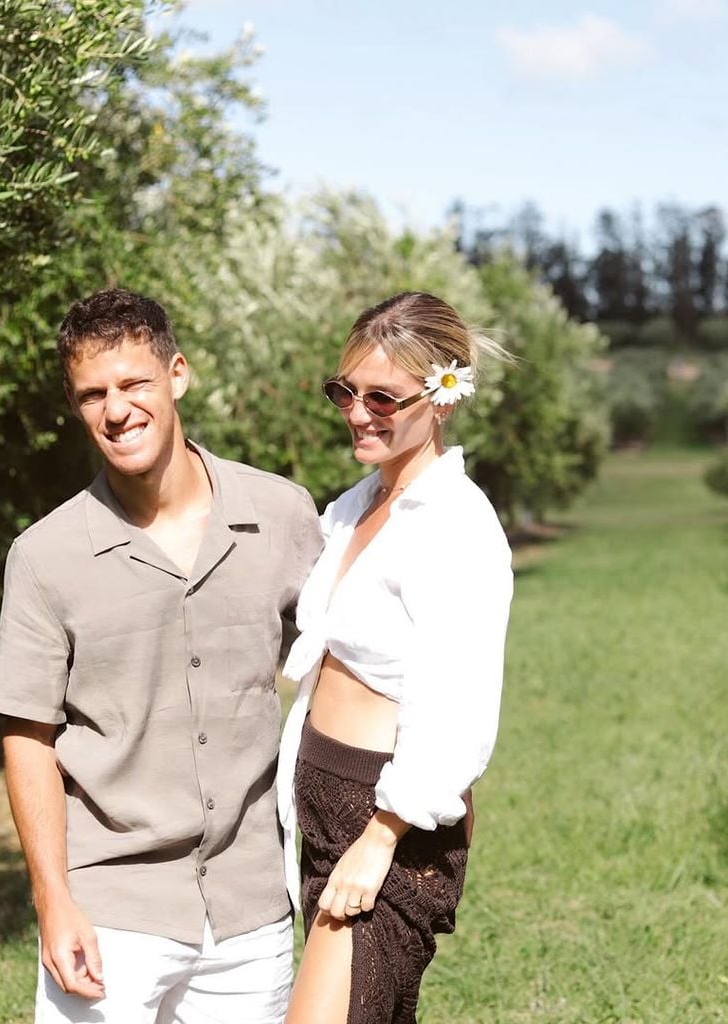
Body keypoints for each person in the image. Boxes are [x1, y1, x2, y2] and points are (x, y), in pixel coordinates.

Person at [0, 288, 322, 1024]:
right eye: (92, 394)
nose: (115, 410)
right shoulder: (46, 556)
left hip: (250, 904)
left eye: (134, 383)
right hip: (110, 910)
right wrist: (53, 900)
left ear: (178, 375)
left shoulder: (280, 515)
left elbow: (341, 673)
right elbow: (28, 735)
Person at [276, 291, 514, 1024]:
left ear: (441, 397)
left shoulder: (457, 525)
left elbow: (459, 705)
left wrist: (381, 838)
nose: (356, 412)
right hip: (321, 794)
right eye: (345, 390)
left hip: (389, 820)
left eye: (383, 396)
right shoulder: (351, 507)